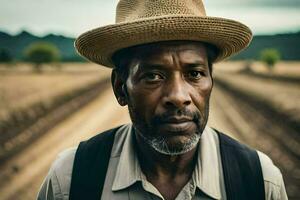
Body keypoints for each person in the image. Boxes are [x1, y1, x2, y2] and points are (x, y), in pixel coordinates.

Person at [37, 0, 288, 199]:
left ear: (211, 80)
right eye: (153, 76)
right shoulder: (70, 180)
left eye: (194, 74)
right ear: (120, 88)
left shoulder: (259, 181)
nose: (178, 97)